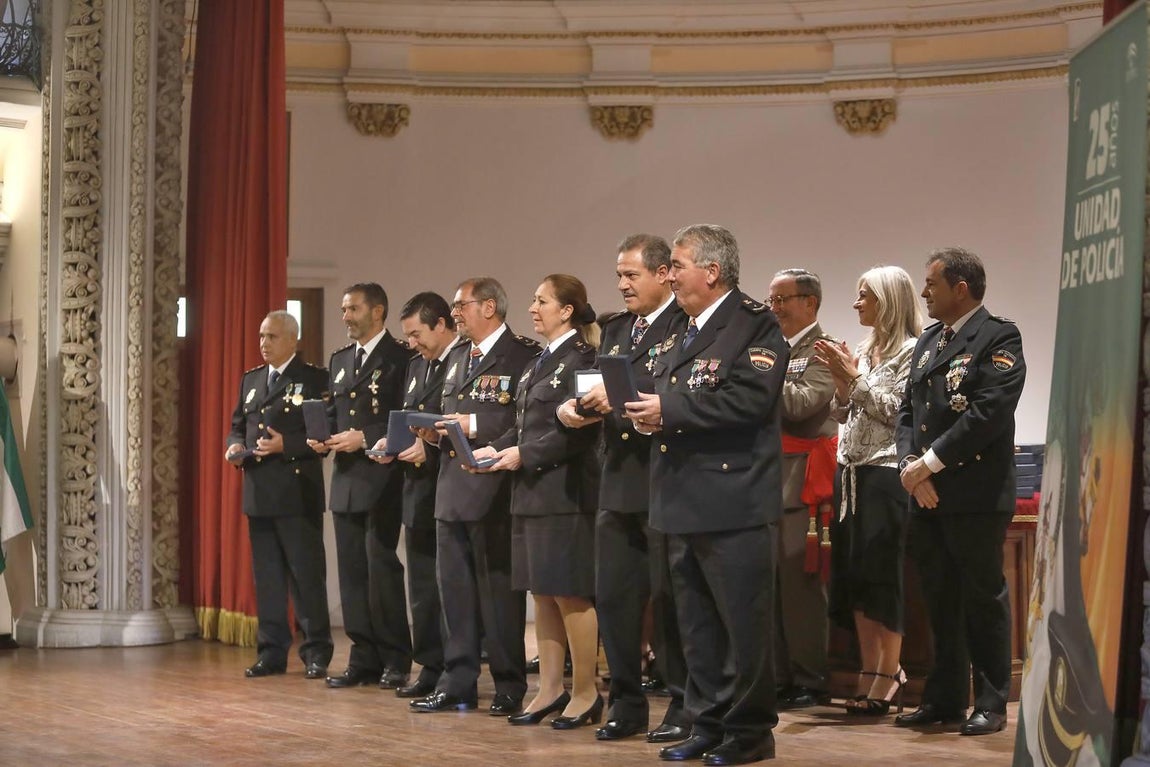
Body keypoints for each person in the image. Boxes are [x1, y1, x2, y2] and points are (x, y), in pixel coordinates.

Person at [625, 224, 788, 765]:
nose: (669, 274)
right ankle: (708, 721)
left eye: (677, 265)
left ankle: (749, 733)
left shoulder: (755, 325)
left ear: (712, 272)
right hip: (680, 498)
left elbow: (748, 402)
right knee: (696, 628)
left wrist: (668, 412)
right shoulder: (682, 330)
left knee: (743, 627)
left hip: (732, 500)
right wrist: (653, 415)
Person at [557, 233, 691, 744]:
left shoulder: (685, 327)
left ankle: (682, 703)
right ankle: (626, 703)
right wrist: (575, 409)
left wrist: (626, 399)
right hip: (616, 481)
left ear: (663, 274)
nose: (622, 284)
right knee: (616, 597)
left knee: (671, 600)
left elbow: (682, 392)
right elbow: (592, 383)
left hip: (663, 479)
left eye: (632, 275)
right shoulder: (615, 328)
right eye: (619, 275)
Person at [894, 247, 1026, 736]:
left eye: (931, 284)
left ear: (960, 288)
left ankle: (991, 701)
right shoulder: (929, 341)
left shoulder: (997, 336)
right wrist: (911, 464)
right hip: (925, 492)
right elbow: (909, 411)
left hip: (974, 493)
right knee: (939, 598)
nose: (923, 292)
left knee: (981, 598)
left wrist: (928, 464)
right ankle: (945, 697)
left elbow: (987, 413)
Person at [476, 274, 602, 728]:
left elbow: (578, 433)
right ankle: (550, 688)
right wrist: (496, 446)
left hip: (565, 492)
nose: (533, 307)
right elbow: (527, 424)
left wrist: (523, 454)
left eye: (542, 300)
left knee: (570, 593)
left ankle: (586, 691)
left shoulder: (585, 360)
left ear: (567, 310)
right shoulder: (537, 362)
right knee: (543, 595)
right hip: (529, 491)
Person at [408, 277, 538, 716]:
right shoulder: (458, 356)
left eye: (461, 305)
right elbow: (449, 414)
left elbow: (522, 420)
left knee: (498, 592)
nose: (455, 312)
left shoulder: (523, 354)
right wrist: (432, 431)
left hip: (494, 487)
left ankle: (508, 683)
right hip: (451, 489)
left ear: (488, 307)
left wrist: (473, 425)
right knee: (455, 593)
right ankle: (458, 680)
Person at [813, 266, 922, 715]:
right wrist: (843, 383)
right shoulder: (863, 348)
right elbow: (846, 413)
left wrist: (853, 380)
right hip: (850, 470)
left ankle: (889, 670)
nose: (857, 303)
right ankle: (869, 667)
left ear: (888, 301)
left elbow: (899, 412)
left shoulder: (914, 352)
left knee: (882, 574)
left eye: (865, 296)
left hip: (884, 473)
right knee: (853, 574)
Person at [310, 283, 413, 691]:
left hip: (384, 475)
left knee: (380, 566)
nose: (346, 317)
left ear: (378, 311)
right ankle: (362, 655)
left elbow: (405, 414)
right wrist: (323, 437)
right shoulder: (339, 360)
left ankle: (395, 657)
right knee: (352, 572)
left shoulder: (400, 358)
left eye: (353, 309)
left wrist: (366, 437)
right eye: (343, 309)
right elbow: (335, 414)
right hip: (347, 478)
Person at [224, 311, 333, 679]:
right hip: (259, 492)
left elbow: (324, 437)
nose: (263, 344)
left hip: (297, 491)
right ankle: (271, 652)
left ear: (292, 340)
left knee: (306, 578)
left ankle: (316, 651)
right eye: (261, 336)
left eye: (271, 337)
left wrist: (286, 444)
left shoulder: (313, 378)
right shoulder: (252, 380)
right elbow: (237, 425)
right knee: (267, 578)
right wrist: (234, 446)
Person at [370, 291, 463, 699]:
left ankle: (455, 672)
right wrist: (389, 447)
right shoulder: (414, 367)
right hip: (416, 492)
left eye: (416, 334)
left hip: (450, 488)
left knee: (451, 590)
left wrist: (429, 446)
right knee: (422, 590)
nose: (411, 343)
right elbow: (410, 421)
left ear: (441, 324)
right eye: (407, 336)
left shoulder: (462, 364)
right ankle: (429, 665)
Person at [766, 268, 838, 710]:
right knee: (770, 587)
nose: (773, 308)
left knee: (800, 588)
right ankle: (777, 675)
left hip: (801, 479)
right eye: (771, 300)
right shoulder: (776, 349)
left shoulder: (823, 351)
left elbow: (801, 404)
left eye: (782, 299)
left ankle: (810, 678)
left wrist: (759, 375)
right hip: (766, 478)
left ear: (809, 303)